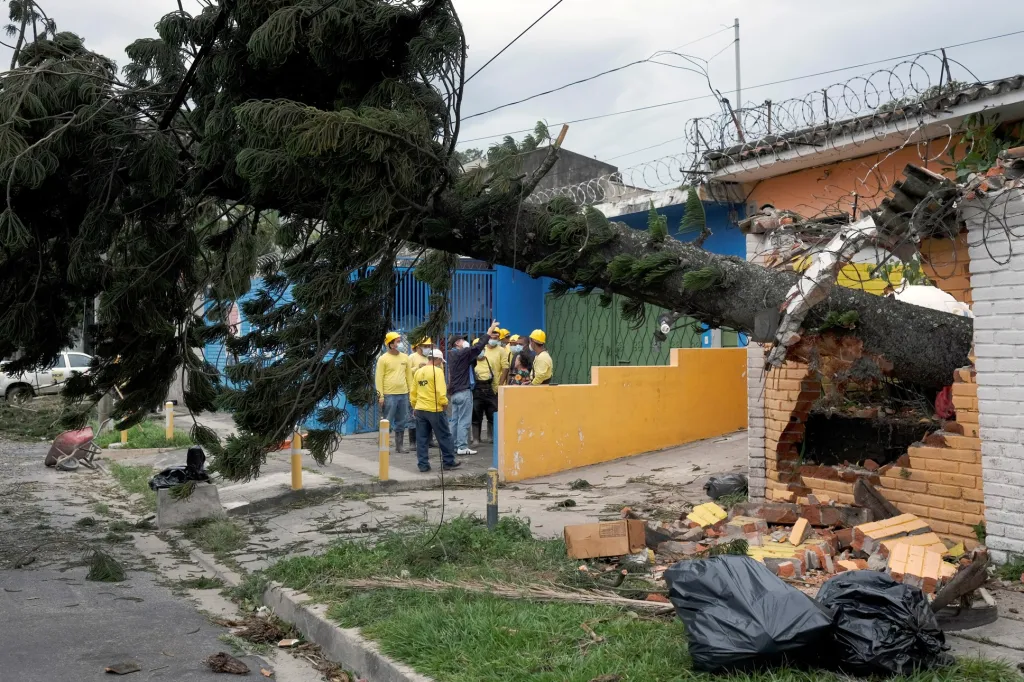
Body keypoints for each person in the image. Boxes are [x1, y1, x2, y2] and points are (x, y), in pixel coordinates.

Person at [447, 320, 499, 456]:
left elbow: (472, 360)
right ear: (457, 343)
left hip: (455, 393)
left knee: (455, 421)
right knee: (464, 421)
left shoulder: (453, 355)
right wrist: (490, 330)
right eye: (462, 340)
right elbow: (478, 346)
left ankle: (453, 445)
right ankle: (462, 446)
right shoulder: (461, 353)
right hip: (464, 392)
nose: (464, 342)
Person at [410, 349, 460, 473]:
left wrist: (414, 406)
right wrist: (444, 403)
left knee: (422, 439)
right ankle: (449, 462)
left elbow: (413, 392)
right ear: (437, 359)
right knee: (444, 436)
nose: (440, 363)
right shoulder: (437, 372)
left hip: (420, 409)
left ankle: (423, 465)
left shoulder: (418, 372)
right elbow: (440, 390)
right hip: (435, 409)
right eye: (440, 361)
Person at [374, 331, 413, 453]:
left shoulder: (405, 358)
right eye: (397, 341)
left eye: (400, 341)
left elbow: (409, 377)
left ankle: (399, 446)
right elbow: (379, 378)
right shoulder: (383, 359)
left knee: (402, 420)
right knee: (387, 421)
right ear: (390, 344)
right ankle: (383, 445)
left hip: (403, 393)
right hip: (389, 394)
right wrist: (380, 396)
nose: (400, 343)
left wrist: (411, 393)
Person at [471, 330, 506, 444]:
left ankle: (491, 437)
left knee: (492, 413)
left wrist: (499, 385)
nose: (494, 339)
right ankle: (476, 438)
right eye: (492, 337)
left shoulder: (497, 353)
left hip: (491, 388)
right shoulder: (472, 361)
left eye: (496, 337)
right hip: (477, 390)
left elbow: (505, 368)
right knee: (476, 414)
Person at [407, 338, 433, 446]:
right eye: (425, 346)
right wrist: (417, 367)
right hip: (416, 390)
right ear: (418, 347)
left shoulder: (430, 357)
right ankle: (413, 442)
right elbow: (407, 372)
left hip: (428, 390)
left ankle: (429, 440)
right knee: (412, 417)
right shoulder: (411, 357)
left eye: (428, 346)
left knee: (429, 416)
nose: (427, 348)